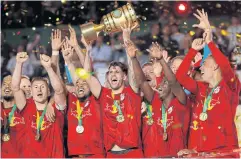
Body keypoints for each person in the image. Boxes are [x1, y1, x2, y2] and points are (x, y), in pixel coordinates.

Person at [177, 9, 240, 157]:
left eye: (204, 64)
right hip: (200, 153)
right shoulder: (200, 88)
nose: (201, 68)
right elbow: (180, 77)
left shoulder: (231, 86)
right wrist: (192, 51)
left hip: (224, 153)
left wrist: (210, 41)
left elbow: (226, 66)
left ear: (215, 66)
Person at [82, 28, 143, 157]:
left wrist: (127, 42)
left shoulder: (132, 92)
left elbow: (133, 73)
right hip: (111, 154)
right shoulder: (103, 94)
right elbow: (86, 75)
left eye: (117, 72)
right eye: (110, 72)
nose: (113, 74)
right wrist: (88, 50)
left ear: (124, 77)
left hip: (133, 153)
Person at [127, 40, 190, 157]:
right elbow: (141, 82)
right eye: (159, 84)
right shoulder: (155, 101)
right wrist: (133, 58)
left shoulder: (181, 102)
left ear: (172, 88)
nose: (159, 86)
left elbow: (173, 81)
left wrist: (161, 59)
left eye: (164, 84)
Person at [11, 52, 66, 158]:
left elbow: (59, 90)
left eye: (42, 87)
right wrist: (18, 64)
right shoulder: (26, 107)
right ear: (31, 92)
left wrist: (49, 68)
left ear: (49, 92)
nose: (39, 89)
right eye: (35, 87)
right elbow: (15, 88)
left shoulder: (57, 108)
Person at [61, 40, 105, 158]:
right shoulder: (71, 98)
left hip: (96, 153)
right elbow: (68, 83)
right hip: (76, 154)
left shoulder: (97, 99)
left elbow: (87, 74)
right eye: (78, 84)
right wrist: (68, 61)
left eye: (84, 84)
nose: (80, 85)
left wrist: (87, 49)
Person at [1, 75, 26, 158]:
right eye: (4, 84)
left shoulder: (25, 109)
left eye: (10, 84)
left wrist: (50, 105)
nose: (7, 86)